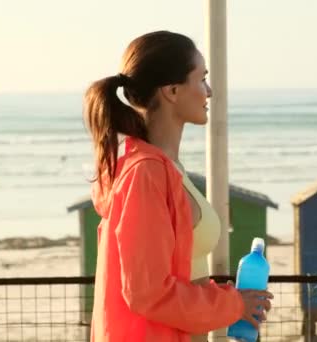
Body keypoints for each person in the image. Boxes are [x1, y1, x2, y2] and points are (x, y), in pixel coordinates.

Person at [83, 30, 273, 342]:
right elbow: (148, 292)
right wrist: (233, 304)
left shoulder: (165, 169)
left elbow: (176, 275)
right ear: (172, 90)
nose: (209, 91)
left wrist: (232, 302)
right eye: (201, 79)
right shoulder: (145, 173)